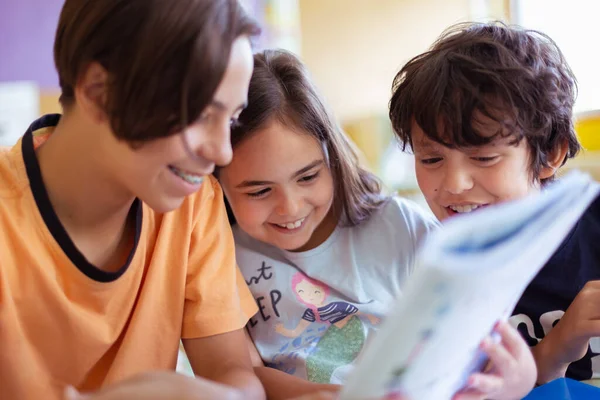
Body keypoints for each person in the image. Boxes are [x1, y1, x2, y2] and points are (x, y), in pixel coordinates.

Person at [216, 48, 537, 400]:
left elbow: (479, 348)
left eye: (308, 177)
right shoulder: (221, 256)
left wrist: (515, 380)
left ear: (331, 158)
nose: (289, 207)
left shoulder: (401, 226)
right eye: (260, 191)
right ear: (218, 185)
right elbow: (244, 375)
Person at [0, 0, 267, 399]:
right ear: (99, 93)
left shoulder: (192, 202)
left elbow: (233, 372)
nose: (223, 153)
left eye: (230, 120)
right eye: (198, 114)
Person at [389, 21, 600, 385]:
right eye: (431, 159)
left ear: (550, 154)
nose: (454, 185)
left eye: (484, 158)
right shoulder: (434, 268)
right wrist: (559, 345)